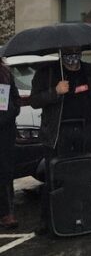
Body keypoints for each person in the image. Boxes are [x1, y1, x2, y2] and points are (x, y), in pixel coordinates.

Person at [30, 46, 91, 234]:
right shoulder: (47, 73)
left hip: (87, 130)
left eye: (76, 53)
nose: (72, 59)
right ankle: (48, 219)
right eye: (68, 54)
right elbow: (34, 100)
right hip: (58, 133)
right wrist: (55, 91)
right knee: (55, 177)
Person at [0, 61, 19, 229]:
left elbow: (13, 103)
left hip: (4, 131)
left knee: (5, 172)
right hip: (6, 127)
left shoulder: (4, 73)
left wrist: (8, 116)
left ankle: (7, 212)